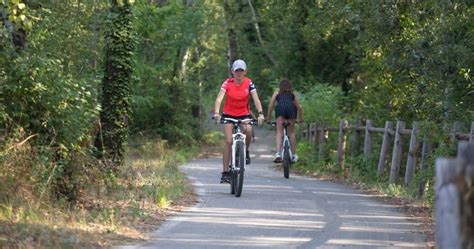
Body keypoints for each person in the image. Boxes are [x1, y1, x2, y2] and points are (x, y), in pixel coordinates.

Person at [214, 59, 265, 183]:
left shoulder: (249, 83)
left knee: (248, 130)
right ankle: (225, 172)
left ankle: (245, 151)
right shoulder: (227, 83)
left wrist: (260, 114)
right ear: (232, 71)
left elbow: (256, 99)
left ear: (245, 71)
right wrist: (216, 112)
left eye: (241, 70)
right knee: (228, 141)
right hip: (228, 115)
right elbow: (219, 99)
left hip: (244, 115)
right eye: (237, 70)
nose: (239, 73)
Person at [266, 78, 303, 163]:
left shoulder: (277, 93)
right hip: (291, 109)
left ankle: (278, 153)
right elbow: (299, 107)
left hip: (281, 109)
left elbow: (270, 106)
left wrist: (268, 119)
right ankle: (294, 155)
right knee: (291, 133)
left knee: (279, 132)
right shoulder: (292, 94)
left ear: (280, 86)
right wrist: (300, 119)